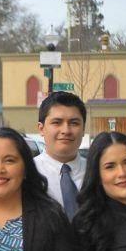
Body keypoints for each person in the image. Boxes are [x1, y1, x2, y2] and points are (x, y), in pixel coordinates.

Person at [34, 91, 88, 219]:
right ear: (41, 129)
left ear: (83, 129)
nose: (66, 131)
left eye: (74, 123)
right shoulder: (27, 173)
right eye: (57, 122)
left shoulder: (97, 172)